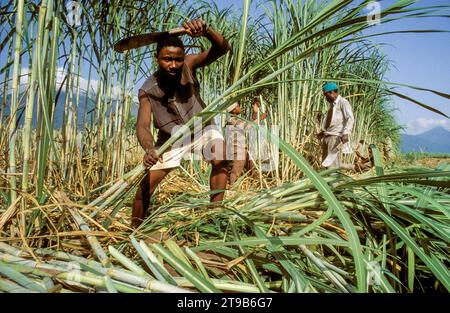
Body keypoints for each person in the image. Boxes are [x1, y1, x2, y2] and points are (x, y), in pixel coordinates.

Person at [132, 19, 231, 227]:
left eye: (177, 59)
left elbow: (222, 48)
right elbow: (142, 125)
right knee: (143, 190)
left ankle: (214, 217)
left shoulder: (189, 65)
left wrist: (206, 31)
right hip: (172, 139)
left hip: (203, 129)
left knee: (221, 155)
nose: (173, 65)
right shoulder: (148, 90)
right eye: (167, 59)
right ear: (156, 58)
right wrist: (149, 148)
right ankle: (132, 233)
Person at [318, 82, 354, 168]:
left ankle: (334, 181)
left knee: (332, 166)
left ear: (331, 92)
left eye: (326, 95)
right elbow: (332, 122)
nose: (326, 98)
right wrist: (323, 132)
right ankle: (325, 182)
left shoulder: (343, 102)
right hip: (327, 137)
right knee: (326, 164)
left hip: (335, 138)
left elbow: (350, 118)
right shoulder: (332, 106)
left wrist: (346, 133)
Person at [225, 102, 248, 184]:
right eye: (238, 106)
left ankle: (230, 185)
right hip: (237, 149)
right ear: (234, 110)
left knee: (235, 168)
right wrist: (260, 118)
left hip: (238, 148)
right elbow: (247, 126)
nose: (240, 107)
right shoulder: (232, 120)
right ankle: (232, 187)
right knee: (236, 169)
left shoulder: (233, 120)